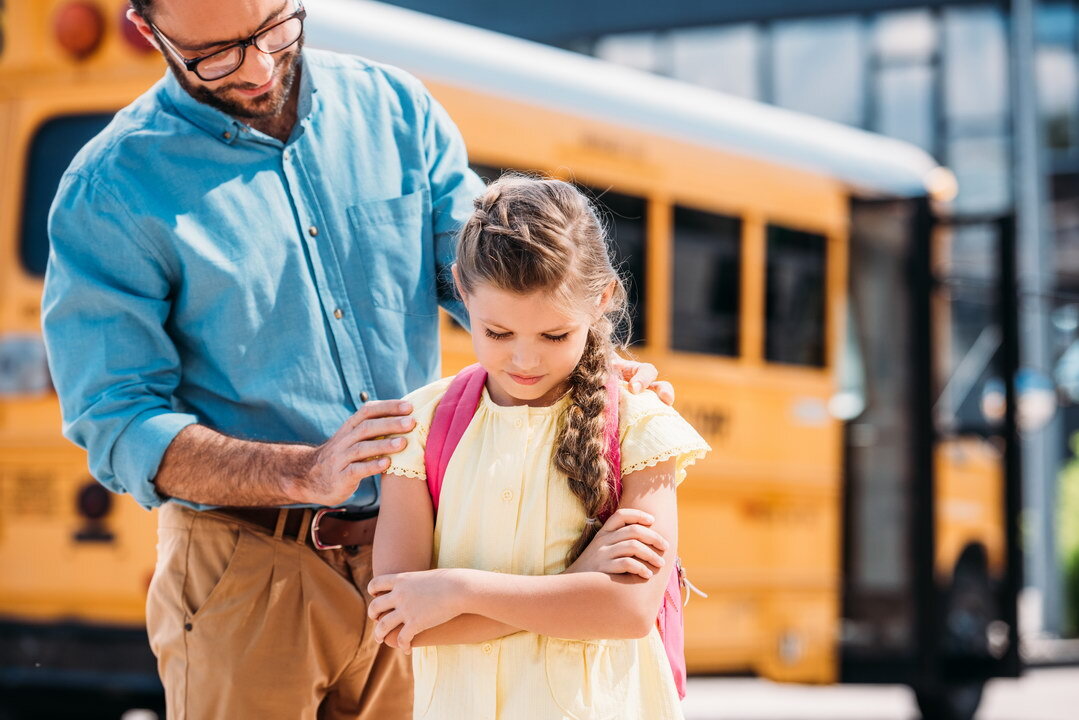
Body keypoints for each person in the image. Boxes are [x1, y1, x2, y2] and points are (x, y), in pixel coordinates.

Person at [41, 1, 673, 717]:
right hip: (245, 567)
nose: (258, 66)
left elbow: (488, 282)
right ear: (148, 29)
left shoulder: (395, 109)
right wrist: (304, 471)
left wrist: (581, 359)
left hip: (418, 548)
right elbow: (119, 421)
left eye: (274, 29)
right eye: (214, 55)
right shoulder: (111, 189)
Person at [368, 174, 711, 720]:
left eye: (554, 336)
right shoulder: (421, 425)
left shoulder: (640, 422)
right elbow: (398, 619)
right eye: (498, 333)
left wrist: (456, 590)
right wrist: (576, 586)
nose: (524, 361)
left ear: (601, 300)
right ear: (460, 288)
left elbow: (627, 610)